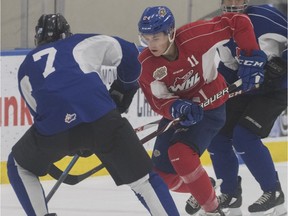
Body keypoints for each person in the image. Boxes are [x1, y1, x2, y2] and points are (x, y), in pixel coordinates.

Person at [7, 13, 180, 216]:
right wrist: (123, 89)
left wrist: (74, 142)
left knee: (18, 165)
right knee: (144, 181)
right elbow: (132, 55)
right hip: (103, 119)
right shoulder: (80, 41)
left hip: (56, 129)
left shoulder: (26, 66)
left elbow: (40, 115)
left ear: (37, 39)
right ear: (67, 34)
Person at [137, 5, 267, 216]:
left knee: (179, 153)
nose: (151, 44)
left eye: (156, 38)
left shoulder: (195, 36)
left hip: (210, 107)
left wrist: (251, 55)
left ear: (170, 32)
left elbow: (238, 22)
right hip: (182, 113)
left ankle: (213, 211)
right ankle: (204, 185)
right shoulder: (146, 64)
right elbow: (157, 100)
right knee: (161, 176)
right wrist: (176, 107)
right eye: (146, 38)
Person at [186, 1, 287, 215]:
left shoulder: (265, 17)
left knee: (244, 136)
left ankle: (273, 190)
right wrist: (219, 89)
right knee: (218, 135)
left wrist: (284, 63)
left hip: (277, 88)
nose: (232, 5)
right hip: (249, 88)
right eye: (227, 1)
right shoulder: (220, 27)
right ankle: (231, 194)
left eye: (237, 1)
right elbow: (229, 66)